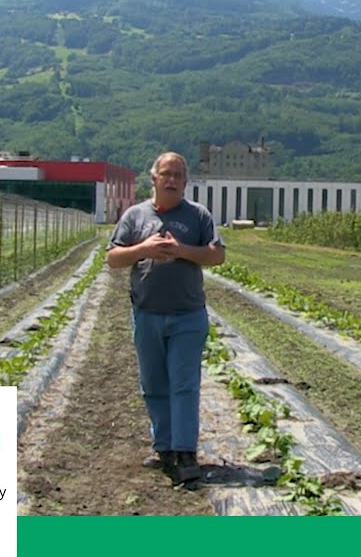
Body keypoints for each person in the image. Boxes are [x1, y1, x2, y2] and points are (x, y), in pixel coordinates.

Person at [107, 151, 225, 485]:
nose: (171, 180)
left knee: (184, 384)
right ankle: (164, 448)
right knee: (154, 384)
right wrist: (144, 249)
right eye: (165, 174)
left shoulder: (198, 216)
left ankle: (185, 452)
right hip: (147, 314)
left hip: (188, 314)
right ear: (154, 179)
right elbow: (114, 258)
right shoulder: (135, 216)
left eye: (178, 175)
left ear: (186, 183)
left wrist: (182, 250)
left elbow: (217, 255)